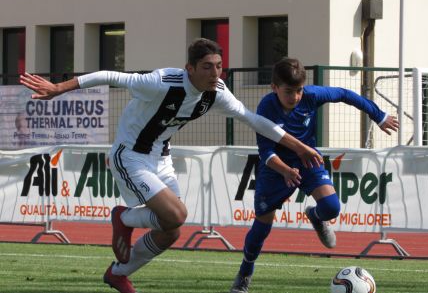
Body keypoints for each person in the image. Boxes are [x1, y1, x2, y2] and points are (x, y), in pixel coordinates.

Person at [20, 39, 323, 293]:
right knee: (177, 213)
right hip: (130, 155)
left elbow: (253, 120)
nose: (215, 73)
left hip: (161, 157)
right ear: (189, 68)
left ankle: (118, 272)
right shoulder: (161, 82)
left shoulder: (216, 92)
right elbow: (111, 75)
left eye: (219, 66)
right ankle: (123, 219)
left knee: (172, 231)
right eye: (207, 67)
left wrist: (300, 147)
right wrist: (60, 87)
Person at [230, 57, 399, 293]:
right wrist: (285, 170)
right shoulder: (266, 108)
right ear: (274, 88)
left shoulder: (311, 95)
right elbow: (266, 152)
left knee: (331, 207)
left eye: (299, 90)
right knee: (261, 229)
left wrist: (378, 115)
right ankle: (245, 272)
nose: (295, 97)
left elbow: (344, 94)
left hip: (307, 160)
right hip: (275, 169)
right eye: (289, 91)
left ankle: (316, 216)